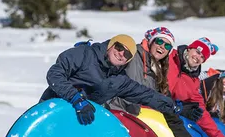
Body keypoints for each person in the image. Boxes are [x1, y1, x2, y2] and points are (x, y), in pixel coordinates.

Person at [39, 34, 182, 125]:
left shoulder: (119, 80)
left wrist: (171, 106)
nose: (121, 54)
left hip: (80, 120)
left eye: (126, 54)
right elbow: (55, 74)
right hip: (52, 109)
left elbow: (145, 94)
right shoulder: (85, 54)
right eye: (119, 47)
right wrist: (76, 99)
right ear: (110, 45)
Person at [107, 27, 203, 137]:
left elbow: (168, 110)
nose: (162, 46)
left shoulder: (158, 74)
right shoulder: (133, 54)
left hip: (128, 119)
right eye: (159, 41)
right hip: (110, 112)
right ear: (151, 41)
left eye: (167, 45)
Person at [167, 37, 225, 137]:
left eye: (202, 58)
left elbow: (202, 113)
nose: (198, 58)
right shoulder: (169, 57)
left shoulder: (194, 82)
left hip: (166, 110)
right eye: (198, 52)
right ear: (189, 49)